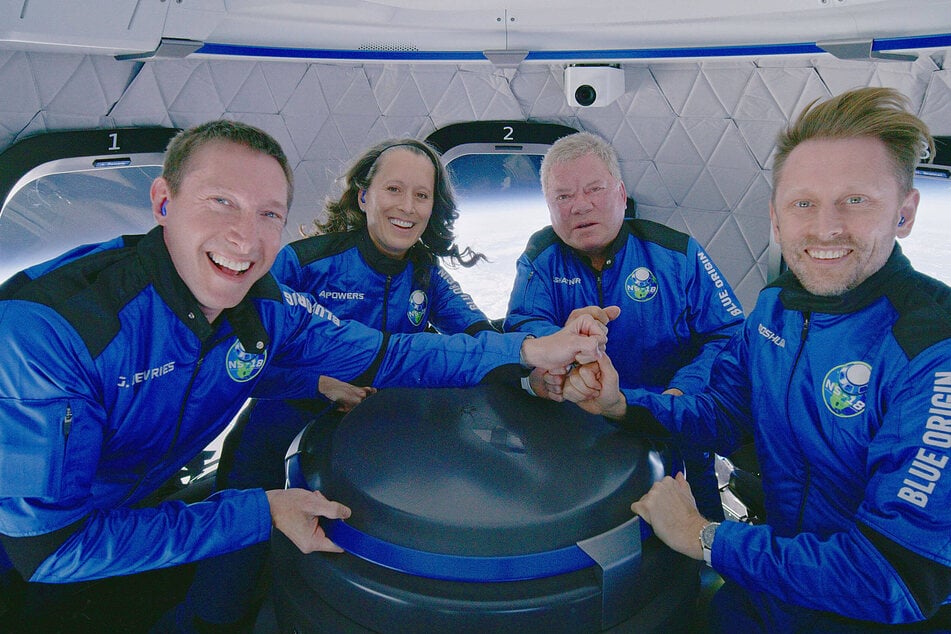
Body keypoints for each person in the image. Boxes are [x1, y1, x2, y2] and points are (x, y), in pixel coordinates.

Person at [0, 120, 608, 631]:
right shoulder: (51, 333)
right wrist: (264, 497)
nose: (245, 236)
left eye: (268, 213)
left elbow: (394, 355)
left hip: (144, 500)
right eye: (221, 202)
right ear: (163, 202)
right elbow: (48, 548)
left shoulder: (264, 306)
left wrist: (533, 355)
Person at [562, 87, 951, 630]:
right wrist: (620, 404)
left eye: (856, 200)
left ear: (904, 214)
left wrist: (706, 538)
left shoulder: (932, 353)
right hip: (768, 589)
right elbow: (723, 414)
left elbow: (897, 577)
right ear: (775, 216)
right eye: (803, 203)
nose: (825, 227)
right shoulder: (776, 309)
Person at [189, 138, 498, 629]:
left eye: (421, 196)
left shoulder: (424, 272)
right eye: (393, 189)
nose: (407, 206)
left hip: (368, 444)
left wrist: (528, 356)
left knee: (331, 570)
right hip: (278, 431)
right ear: (363, 196)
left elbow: (477, 328)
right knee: (229, 575)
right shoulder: (306, 263)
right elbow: (242, 356)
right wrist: (320, 383)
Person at [503, 131, 744, 520]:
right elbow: (522, 327)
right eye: (563, 197)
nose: (580, 206)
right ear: (548, 207)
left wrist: (684, 391)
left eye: (594, 189)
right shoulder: (540, 257)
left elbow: (728, 334)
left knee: (692, 543)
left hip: (670, 425)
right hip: (579, 435)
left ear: (620, 193)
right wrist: (564, 341)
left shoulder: (677, 254)